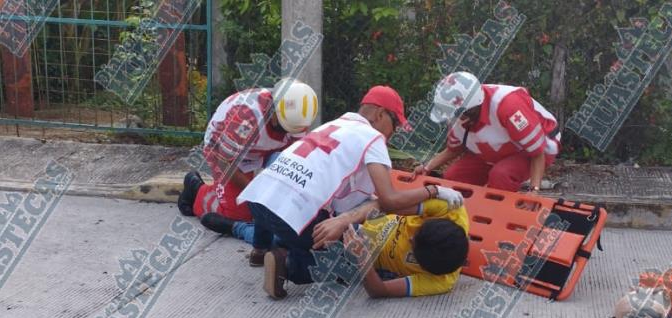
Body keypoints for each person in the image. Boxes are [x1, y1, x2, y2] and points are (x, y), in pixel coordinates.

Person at [237, 85, 465, 298]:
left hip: (257, 199)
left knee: (316, 217)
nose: (393, 133)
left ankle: (261, 249)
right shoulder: (374, 138)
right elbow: (389, 199)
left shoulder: (335, 124)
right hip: (291, 216)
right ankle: (288, 262)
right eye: (394, 125)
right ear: (380, 114)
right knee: (345, 263)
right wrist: (434, 190)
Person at [177, 78, 318, 249]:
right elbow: (225, 162)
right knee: (239, 212)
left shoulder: (296, 115)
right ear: (272, 109)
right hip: (225, 153)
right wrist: (256, 192)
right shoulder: (244, 118)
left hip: (262, 148)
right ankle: (197, 190)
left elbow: (297, 156)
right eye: (283, 127)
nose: (288, 132)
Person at [414, 71, 560, 193]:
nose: (455, 119)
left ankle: (502, 215)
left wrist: (534, 190)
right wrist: (427, 167)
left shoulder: (508, 106)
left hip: (539, 145)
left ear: (472, 108)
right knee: (454, 178)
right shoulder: (460, 115)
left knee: (501, 175)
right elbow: (454, 149)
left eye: (458, 114)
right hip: (499, 147)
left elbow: (537, 153)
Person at [311, 198, 469, 298]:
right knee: (320, 222)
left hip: (362, 257)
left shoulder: (440, 282)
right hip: (365, 214)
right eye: (417, 231)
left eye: (412, 246)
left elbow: (379, 291)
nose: (410, 237)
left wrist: (362, 260)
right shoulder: (451, 209)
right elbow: (385, 204)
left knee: (313, 261)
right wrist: (344, 221)